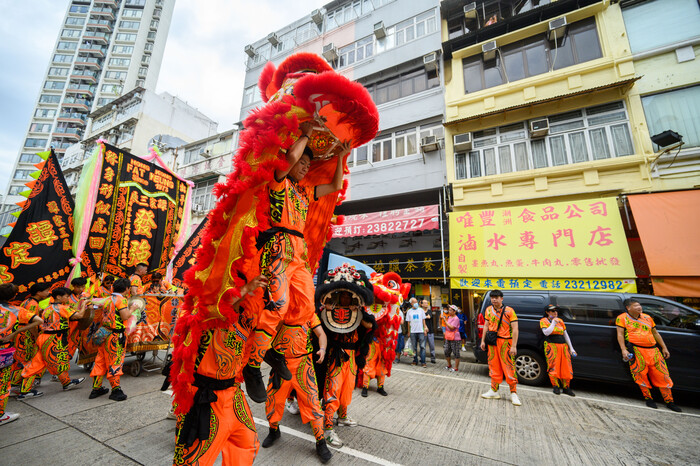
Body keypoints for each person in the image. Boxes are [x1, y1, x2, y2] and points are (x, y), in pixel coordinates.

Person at [243, 120, 349, 403]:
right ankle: (253, 366)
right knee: (277, 304)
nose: (303, 166)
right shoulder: (278, 181)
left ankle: (273, 349)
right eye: (301, 162)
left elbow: (336, 185)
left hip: (298, 254)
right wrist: (306, 134)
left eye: (306, 164)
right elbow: (289, 158)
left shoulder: (305, 192)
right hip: (278, 248)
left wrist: (340, 157)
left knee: (303, 307)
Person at [173, 275, 268, 466]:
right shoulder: (204, 312)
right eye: (233, 288)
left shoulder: (244, 318)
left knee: (247, 444)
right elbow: (218, 307)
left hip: (233, 395)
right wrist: (246, 287)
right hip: (205, 398)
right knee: (193, 461)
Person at [261, 312, 332, 463]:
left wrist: (323, 349)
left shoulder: (310, 314)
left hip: (304, 365)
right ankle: (273, 431)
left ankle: (321, 442)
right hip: (281, 365)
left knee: (313, 404)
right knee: (273, 401)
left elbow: (321, 334)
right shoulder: (279, 312)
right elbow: (266, 332)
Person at [20, 287, 88, 396]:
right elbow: (79, 316)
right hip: (54, 338)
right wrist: (84, 305)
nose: (68, 298)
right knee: (59, 361)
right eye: (66, 296)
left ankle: (25, 389)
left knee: (38, 362)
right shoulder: (61, 307)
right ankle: (66, 383)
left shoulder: (48, 308)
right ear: (59, 297)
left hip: (44, 337)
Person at [616, 298, 681, 412]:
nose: (639, 307)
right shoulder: (622, 318)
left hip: (654, 351)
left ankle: (669, 401)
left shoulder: (647, 317)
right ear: (628, 308)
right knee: (640, 375)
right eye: (636, 305)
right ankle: (649, 399)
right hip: (636, 351)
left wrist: (664, 348)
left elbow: (655, 333)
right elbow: (620, 335)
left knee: (663, 375)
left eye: (639, 305)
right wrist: (623, 350)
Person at [1, 283, 44, 425]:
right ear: (14, 296)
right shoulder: (16, 310)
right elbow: (39, 321)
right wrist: (15, 332)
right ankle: (1, 414)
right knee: (2, 382)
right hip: (5, 349)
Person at [89, 278, 136, 402]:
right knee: (115, 361)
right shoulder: (121, 300)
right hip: (115, 335)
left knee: (101, 360)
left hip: (104, 333)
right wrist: (133, 309)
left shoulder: (107, 298)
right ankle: (115, 390)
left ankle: (96, 388)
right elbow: (125, 316)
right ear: (127, 289)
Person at [480, 290, 521, 406]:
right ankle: (494, 390)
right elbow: (486, 325)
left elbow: (515, 329)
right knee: (493, 366)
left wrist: (513, 345)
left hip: (506, 342)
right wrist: (483, 340)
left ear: (501, 298)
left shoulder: (509, 311)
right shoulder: (488, 310)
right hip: (492, 342)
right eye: (492, 297)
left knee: (509, 367)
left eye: (496, 297)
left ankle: (514, 393)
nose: (494, 299)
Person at [10, 283, 49, 388]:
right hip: (25, 333)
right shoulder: (33, 304)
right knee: (24, 359)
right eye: (46, 290)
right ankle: (15, 384)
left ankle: (16, 383)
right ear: (39, 292)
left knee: (21, 358)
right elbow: (30, 323)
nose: (48, 293)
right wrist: (36, 336)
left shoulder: (27, 301)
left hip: (21, 332)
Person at [540, 304, 576, 396]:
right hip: (551, 346)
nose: (555, 313)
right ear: (547, 312)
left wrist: (571, 348)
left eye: (556, 311)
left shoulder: (560, 321)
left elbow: (565, 335)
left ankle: (566, 387)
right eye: (552, 311)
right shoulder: (544, 321)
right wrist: (553, 323)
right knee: (553, 366)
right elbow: (546, 333)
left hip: (563, 346)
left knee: (566, 366)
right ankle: (555, 386)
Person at [406, 298, 428, 367]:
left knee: (422, 347)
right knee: (414, 347)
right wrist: (408, 331)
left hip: (420, 331)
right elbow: (408, 323)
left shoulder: (421, 310)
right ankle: (415, 360)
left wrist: (425, 329)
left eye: (417, 302)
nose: (416, 303)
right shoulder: (409, 311)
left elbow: (423, 320)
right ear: (411, 303)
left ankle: (423, 361)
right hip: (413, 331)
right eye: (414, 302)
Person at [443, 305, 461, 372]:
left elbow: (452, 327)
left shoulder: (456, 318)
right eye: (449, 310)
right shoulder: (449, 317)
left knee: (456, 352)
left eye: (450, 310)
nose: (449, 311)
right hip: (448, 336)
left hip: (455, 337)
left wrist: (445, 321)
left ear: (454, 311)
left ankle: (456, 367)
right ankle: (449, 364)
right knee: (446, 351)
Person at [421, 299, 436, 364]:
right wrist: (425, 316)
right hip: (422, 331)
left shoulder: (429, 311)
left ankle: (433, 358)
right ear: (422, 304)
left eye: (427, 303)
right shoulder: (420, 311)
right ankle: (422, 358)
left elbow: (429, 317)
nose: (426, 304)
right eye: (425, 303)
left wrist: (424, 317)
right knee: (422, 346)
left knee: (432, 345)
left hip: (430, 330)